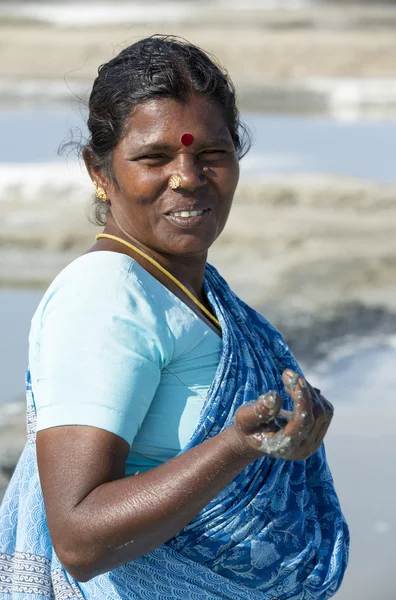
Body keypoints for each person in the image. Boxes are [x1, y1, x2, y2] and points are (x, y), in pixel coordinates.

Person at [0, 35, 349, 599]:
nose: (187, 176)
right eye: (154, 157)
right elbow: (80, 538)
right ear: (99, 169)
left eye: (211, 154)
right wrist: (236, 447)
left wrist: (286, 431)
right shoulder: (106, 295)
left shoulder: (191, 289)